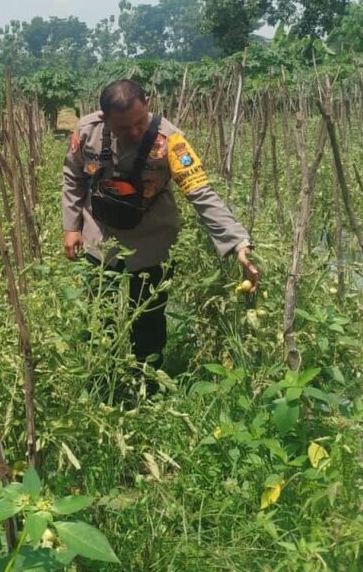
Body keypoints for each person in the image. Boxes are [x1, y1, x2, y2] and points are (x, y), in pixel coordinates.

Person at [62, 79, 258, 375]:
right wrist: (71, 226)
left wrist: (238, 243)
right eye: (123, 127)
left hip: (152, 237)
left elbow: (200, 191)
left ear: (149, 105)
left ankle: (148, 382)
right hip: (99, 235)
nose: (133, 132)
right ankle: (103, 378)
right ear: (105, 119)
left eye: (139, 123)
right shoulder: (86, 131)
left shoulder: (171, 141)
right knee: (98, 314)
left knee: (148, 316)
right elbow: (73, 176)